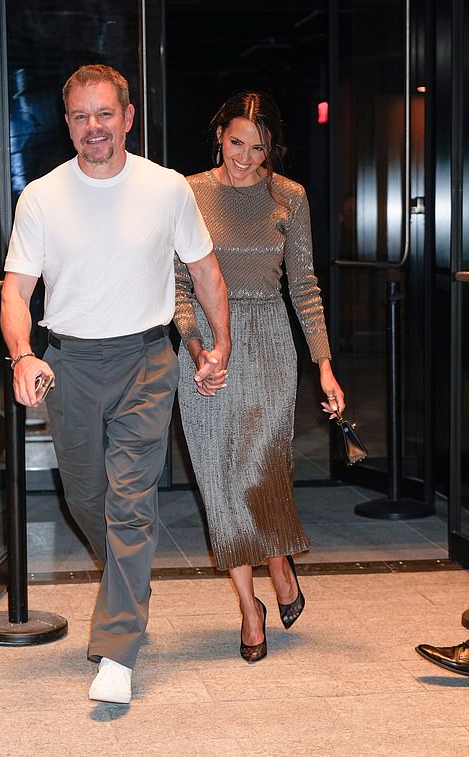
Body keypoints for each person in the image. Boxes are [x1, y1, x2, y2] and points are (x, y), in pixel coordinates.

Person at [0, 64, 230, 704]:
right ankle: (128, 587)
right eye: (81, 116)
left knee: (132, 502)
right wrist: (23, 354)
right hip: (69, 364)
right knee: (87, 498)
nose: (93, 127)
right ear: (67, 122)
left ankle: (119, 652)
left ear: (128, 117)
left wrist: (222, 341)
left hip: (147, 362)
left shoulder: (167, 189)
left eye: (105, 114)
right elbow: (17, 291)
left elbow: (205, 270)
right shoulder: (41, 196)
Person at [174, 91, 345, 662]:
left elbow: (305, 287)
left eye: (259, 147)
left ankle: (279, 561)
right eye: (236, 143)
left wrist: (324, 367)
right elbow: (176, 283)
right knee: (219, 482)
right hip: (205, 348)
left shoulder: (288, 197)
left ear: (273, 146)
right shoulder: (190, 193)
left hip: (269, 342)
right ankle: (251, 606)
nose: (245, 158)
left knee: (260, 467)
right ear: (219, 133)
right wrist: (197, 348)